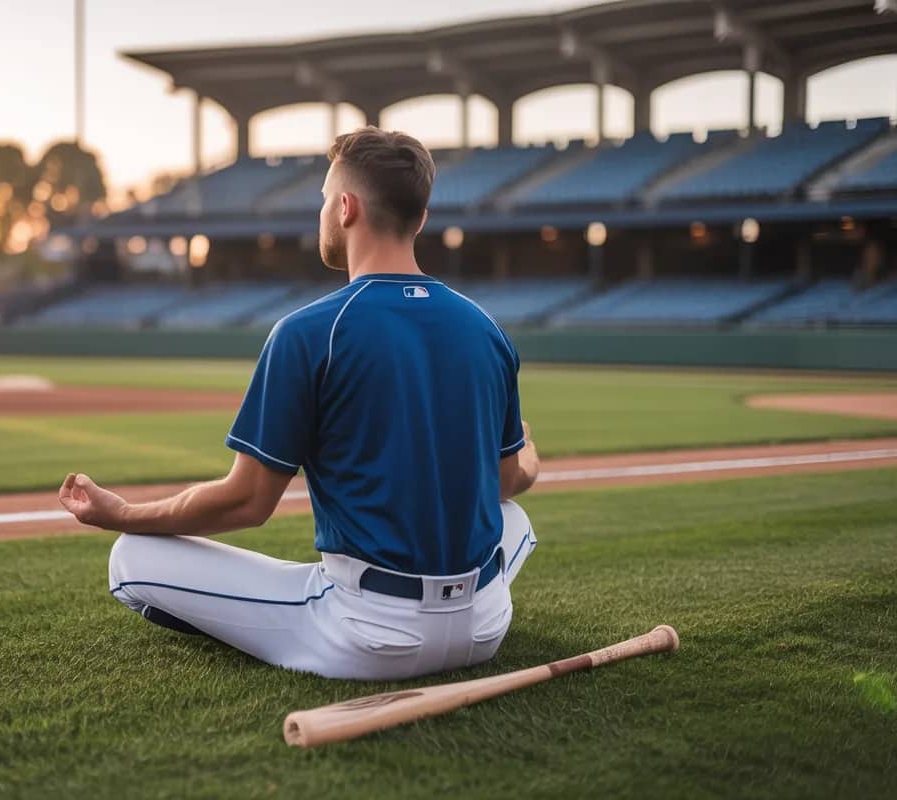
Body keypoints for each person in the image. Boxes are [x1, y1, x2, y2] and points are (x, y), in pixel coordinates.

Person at [59, 126, 540, 680]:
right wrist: (529, 452)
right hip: (484, 626)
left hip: (369, 634)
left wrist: (124, 513)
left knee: (130, 558)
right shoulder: (487, 328)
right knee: (514, 518)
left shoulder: (311, 331)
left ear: (345, 207)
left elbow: (247, 503)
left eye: (322, 201)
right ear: (421, 219)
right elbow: (508, 481)